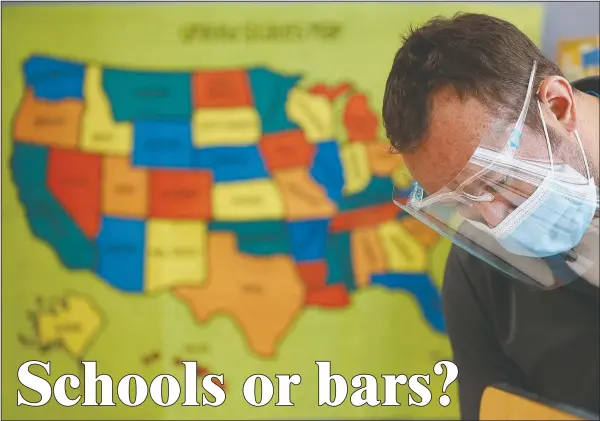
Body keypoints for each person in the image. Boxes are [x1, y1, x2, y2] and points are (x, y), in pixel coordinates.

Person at [382, 13, 599, 420]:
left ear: (557, 106)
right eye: (460, 201)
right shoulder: (480, 274)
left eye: (497, 180)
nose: (497, 223)